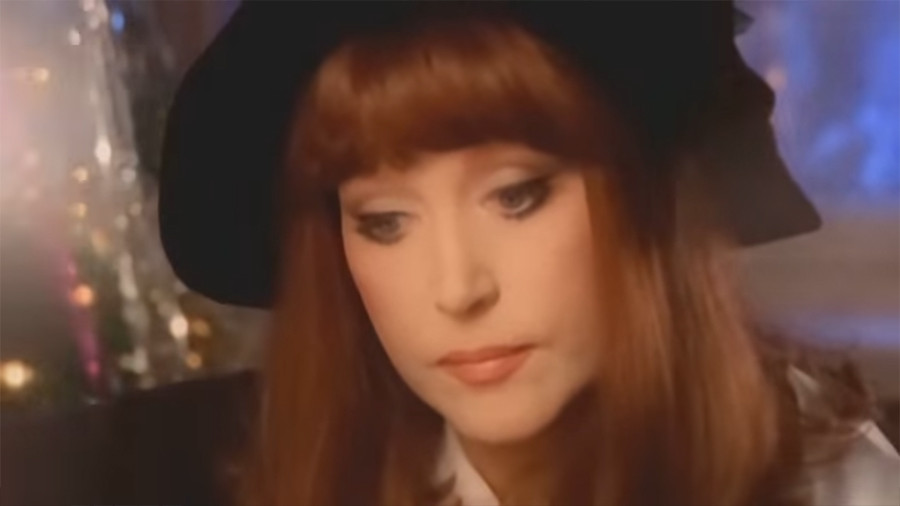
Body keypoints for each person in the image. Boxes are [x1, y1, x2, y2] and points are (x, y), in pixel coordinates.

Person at [158, 2, 899, 505]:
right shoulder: (321, 481)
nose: (457, 288)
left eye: (516, 197)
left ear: (645, 198)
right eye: (384, 222)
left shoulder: (829, 484)